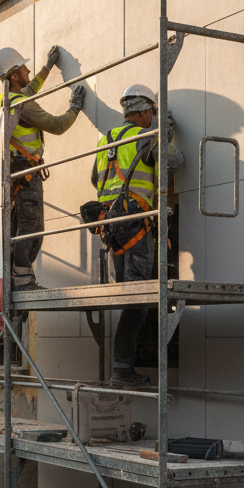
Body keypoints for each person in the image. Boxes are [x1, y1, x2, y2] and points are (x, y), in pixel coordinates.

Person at [91, 84, 184, 387]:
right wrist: (164, 133)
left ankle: (121, 368)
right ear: (144, 112)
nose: (153, 117)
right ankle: (122, 370)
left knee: (132, 296)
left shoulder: (108, 139)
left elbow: (95, 177)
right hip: (134, 223)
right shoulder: (146, 136)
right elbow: (176, 161)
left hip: (112, 225)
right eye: (152, 113)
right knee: (138, 299)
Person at [0, 45, 86, 290]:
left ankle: (16, 277)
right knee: (31, 227)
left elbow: (29, 89)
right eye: (23, 67)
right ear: (13, 75)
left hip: (18, 173)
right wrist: (75, 108)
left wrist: (47, 68)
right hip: (26, 173)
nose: (28, 69)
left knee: (23, 225)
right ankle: (22, 280)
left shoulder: (7, 98)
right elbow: (56, 125)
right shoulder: (23, 104)